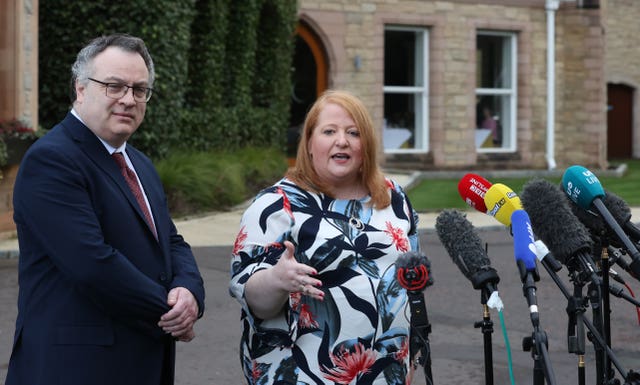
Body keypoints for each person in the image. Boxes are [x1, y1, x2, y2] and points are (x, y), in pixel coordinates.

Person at [5, 34, 205, 385]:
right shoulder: (52, 160)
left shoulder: (138, 163)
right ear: (81, 89)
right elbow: (92, 263)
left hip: (139, 362)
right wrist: (171, 312)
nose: (129, 99)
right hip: (75, 367)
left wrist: (189, 293)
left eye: (139, 89)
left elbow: (170, 242)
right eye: (115, 86)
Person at [229, 90, 420, 384]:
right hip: (303, 375)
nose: (341, 140)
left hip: (386, 372)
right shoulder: (275, 205)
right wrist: (277, 279)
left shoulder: (393, 198)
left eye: (353, 133)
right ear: (308, 144)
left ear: (365, 144)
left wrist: (412, 352)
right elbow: (255, 302)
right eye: (329, 131)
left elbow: (412, 280)